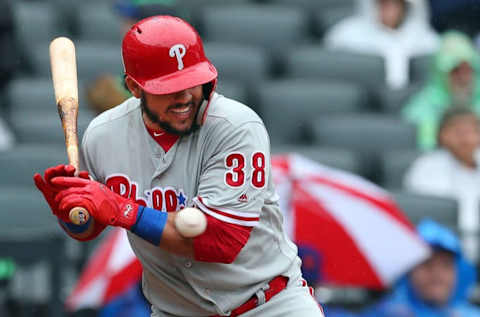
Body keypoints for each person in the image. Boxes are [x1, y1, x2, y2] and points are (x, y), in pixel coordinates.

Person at [34, 16, 324, 317]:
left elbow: (221, 240)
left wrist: (122, 210)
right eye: (169, 87)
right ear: (134, 88)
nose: (185, 96)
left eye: (193, 83)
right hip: (176, 311)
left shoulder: (236, 127)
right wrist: (72, 212)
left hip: (268, 305)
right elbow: (91, 224)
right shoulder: (102, 136)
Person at [404, 106, 480, 261]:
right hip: (441, 254)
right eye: (458, 132)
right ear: (441, 135)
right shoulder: (425, 167)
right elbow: (429, 221)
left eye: (472, 131)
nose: (466, 138)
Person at [361, 219, 480, 316]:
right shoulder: (387, 313)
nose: (437, 273)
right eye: (426, 263)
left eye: (446, 265)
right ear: (408, 270)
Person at [324, 0, 439, 89]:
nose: (389, 10)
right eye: (384, 4)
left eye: (395, 4)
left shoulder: (428, 40)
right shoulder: (345, 35)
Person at [403, 31, 480, 150]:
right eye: (455, 71)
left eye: (468, 70)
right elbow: (426, 151)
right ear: (440, 74)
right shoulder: (420, 110)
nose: (463, 78)